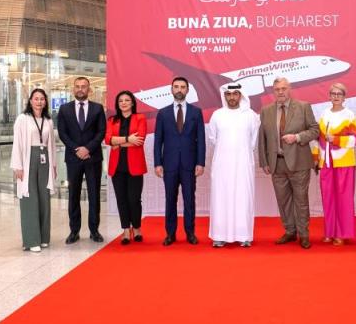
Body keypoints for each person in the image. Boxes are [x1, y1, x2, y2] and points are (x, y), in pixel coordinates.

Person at [258, 77, 319, 249]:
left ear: (289, 89)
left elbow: (315, 130)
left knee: (301, 200)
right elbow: (262, 138)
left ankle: (304, 234)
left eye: (283, 88)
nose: (280, 92)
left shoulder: (303, 107)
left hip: (299, 162)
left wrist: (297, 137)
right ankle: (290, 231)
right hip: (276, 164)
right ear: (273, 91)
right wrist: (264, 161)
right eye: (277, 89)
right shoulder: (266, 111)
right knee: (283, 201)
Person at [154, 76, 206, 246]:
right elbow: (158, 141)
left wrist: (200, 162)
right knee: (170, 199)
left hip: (189, 164)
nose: (179, 90)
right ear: (171, 89)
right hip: (169, 164)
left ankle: (190, 233)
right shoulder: (163, 113)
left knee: (189, 200)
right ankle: (170, 234)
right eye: (176, 87)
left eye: (182, 87)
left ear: (187, 90)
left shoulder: (196, 112)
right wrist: (157, 163)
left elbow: (201, 140)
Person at [208, 83, 260, 248]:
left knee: (243, 197)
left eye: (235, 94)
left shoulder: (251, 116)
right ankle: (219, 235)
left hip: (243, 164)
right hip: (222, 165)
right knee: (220, 198)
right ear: (225, 96)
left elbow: (253, 141)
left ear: (240, 95)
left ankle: (244, 236)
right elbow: (213, 139)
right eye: (228, 94)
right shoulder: (217, 115)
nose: (232, 97)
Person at [57, 77, 107, 244]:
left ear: (89, 89)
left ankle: (94, 231)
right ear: (73, 89)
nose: (80, 89)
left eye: (83, 86)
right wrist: (77, 149)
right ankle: (74, 231)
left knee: (94, 195)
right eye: (77, 86)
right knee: (73, 195)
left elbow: (101, 131)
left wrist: (88, 149)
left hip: (93, 158)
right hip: (73, 158)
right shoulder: (64, 109)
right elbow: (62, 133)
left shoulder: (97, 108)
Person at [313, 83, 356, 246]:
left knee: (343, 198)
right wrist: (316, 157)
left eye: (339, 94)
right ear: (329, 96)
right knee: (328, 198)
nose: (336, 96)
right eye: (333, 93)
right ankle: (330, 231)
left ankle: (341, 233)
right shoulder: (324, 114)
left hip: (344, 162)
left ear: (344, 97)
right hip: (326, 163)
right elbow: (318, 139)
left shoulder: (349, 115)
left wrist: (336, 140)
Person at [11, 88, 57, 253]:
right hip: (28, 159)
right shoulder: (23, 119)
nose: (39, 102)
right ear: (30, 101)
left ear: (45, 102)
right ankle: (31, 240)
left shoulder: (48, 121)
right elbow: (17, 143)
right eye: (36, 99)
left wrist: (53, 166)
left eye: (42, 99)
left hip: (45, 159)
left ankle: (44, 237)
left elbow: (51, 144)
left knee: (44, 198)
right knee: (30, 198)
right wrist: (18, 165)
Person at [104, 91, 147, 245]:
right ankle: (126, 230)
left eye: (127, 100)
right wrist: (129, 139)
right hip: (117, 166)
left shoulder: (140, 118)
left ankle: (137, 228)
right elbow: (108, 139)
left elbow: (140, 139)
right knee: (121, 199)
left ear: (132, 103)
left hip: (135, 165)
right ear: (117, 104)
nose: (123, 103)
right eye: (120, 100)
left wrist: (118, 143)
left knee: (134, 199)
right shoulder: (112, 120)